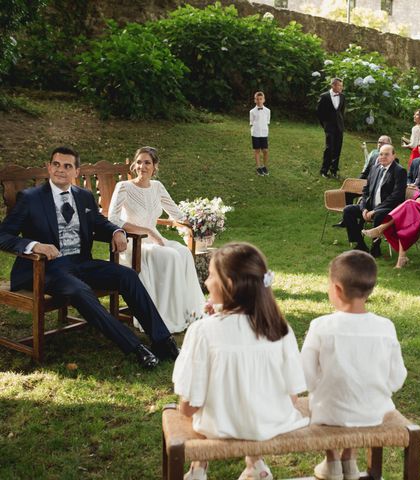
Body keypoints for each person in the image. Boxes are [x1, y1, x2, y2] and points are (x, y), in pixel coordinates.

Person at [0, 146, 178, 368]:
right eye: (56, 165)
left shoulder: (83, 196)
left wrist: (116, 231)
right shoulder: (29, 198)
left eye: (67, 166)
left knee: (128, 276)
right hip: (46, 268)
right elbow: (3, 235)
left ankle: (162, 340)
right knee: (80, 291)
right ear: (48, 167)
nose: (61, 170)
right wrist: (34, 245)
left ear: (76, 171)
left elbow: (99, 223)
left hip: (81, 262)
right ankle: (135, 347)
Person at [173, 243, 309, 480]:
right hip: (273, 421)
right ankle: (255, 464)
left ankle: (198, 468)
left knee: (193, 406)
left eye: (211, 276)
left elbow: (188, 406)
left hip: (219, 426)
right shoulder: (280, 327)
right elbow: (294, 395)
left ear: (228, 285)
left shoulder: (202, 331)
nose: (205, 282)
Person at [301, 250, 406, 479]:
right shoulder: (385, 326)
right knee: (357, 392)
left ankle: (332, 461)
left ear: (336, 289)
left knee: (328, 395)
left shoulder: (321, 326)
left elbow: (306, 376)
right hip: (374, 412)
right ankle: (349, 458)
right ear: (370, 289)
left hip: (329, 412)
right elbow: (397, 377)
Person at [108, 147, 205, 334]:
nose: (142, 166)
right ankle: (165, 316)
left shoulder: (158, 187)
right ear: (133, 165)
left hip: (155, 239)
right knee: (171, 256)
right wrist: (145, 231)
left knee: (183, 253)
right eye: (139, 162)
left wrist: (196, 223)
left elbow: (176, 213)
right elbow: (113, 219)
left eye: (147, 162)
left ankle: (189, 313)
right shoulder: (124, 187)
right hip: (133, 244)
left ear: (155, 167)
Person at [342, 144, 407, 257]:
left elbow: (397, 195)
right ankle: (360, 243)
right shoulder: (374, 168)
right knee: (348, 210)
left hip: (390, 209)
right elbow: (366, 191)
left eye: (387, 154)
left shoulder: (399, 171)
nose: (383, 157)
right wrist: (364, 209)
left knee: (379, 214)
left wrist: (375, 210)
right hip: (371, 207)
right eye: (381, 154)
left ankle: (375, 247)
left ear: (393, 155)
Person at [317, 78, 346, 178]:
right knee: (329, 148)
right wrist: (325, 125)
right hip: (329, 127)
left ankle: (334, 170)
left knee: (338, 148)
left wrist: (341, 123)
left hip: (339, 126)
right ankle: (324, 170)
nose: (341, 88)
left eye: (342, 86)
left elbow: (342, 111)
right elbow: (320, 113)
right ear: (333, 85)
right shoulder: (324, 96)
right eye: (339, 86)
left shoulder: (342, 96)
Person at [249, 91, 271, 176]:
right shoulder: (252, 112)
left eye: (260, 99)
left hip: (264, 133)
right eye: (257, 99)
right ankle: (258, 167)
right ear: (255, 100)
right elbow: (251, 122)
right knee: (257, 150)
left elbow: (267, 121)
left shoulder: (268, 111)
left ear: (264, 100)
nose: (259, 101)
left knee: (265, 150)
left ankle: (264, 166)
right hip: (255, 133)